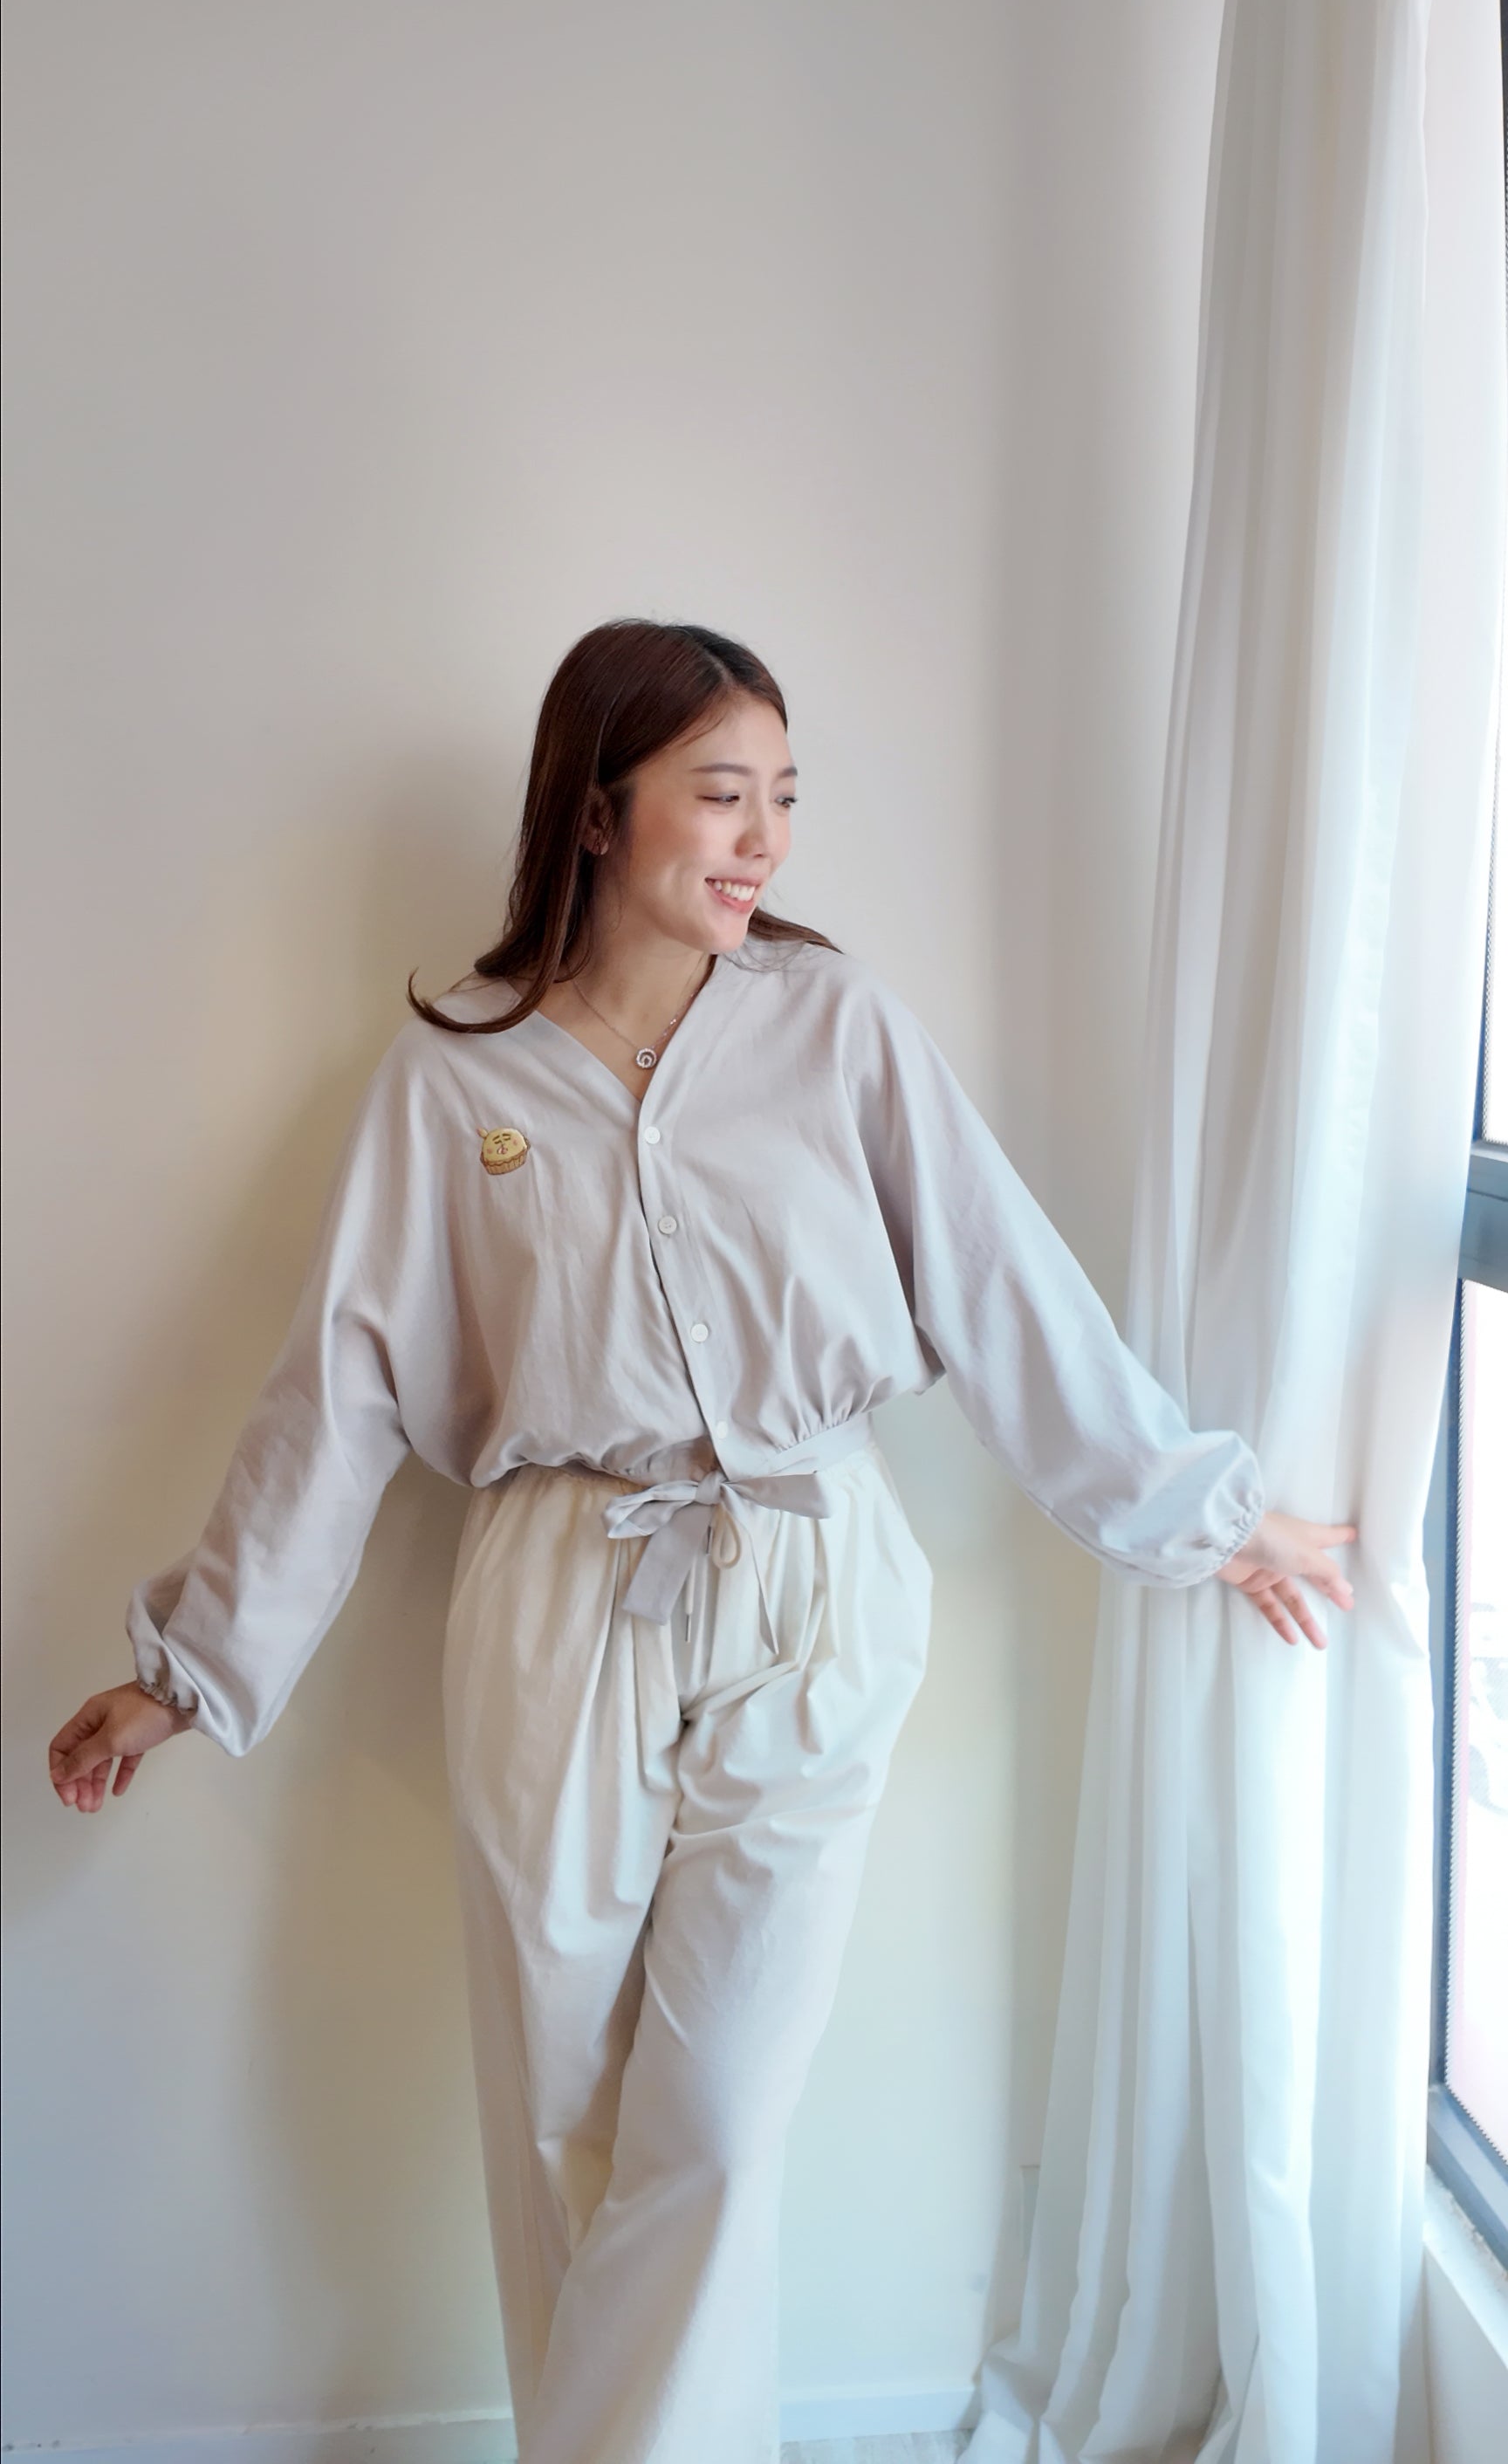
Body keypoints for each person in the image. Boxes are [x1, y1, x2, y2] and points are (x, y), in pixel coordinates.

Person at [46, 618, 1357, 2464]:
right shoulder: (455, 1078)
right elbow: (335, 1393)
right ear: (596, 812)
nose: (764, 841)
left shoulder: (834, 1026)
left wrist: (1202, 1514)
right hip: (556, 1601)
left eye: (784, 800)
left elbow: (999, 1281)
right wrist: (189, 1672)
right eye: (722, 795)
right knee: (563, 2124)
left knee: (718, 2124)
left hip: (812, 1581)